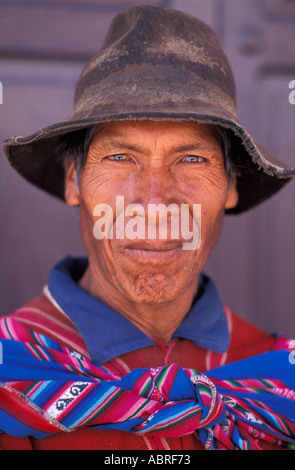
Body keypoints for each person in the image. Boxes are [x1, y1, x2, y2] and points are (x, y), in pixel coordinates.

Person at [1, 5, 295, 451]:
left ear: (231, 187)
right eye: (120, 158)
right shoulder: (14, 369)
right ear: (73, 181)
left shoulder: (276, 378)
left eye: (192, 159)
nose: (155, 205)